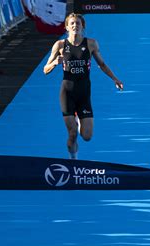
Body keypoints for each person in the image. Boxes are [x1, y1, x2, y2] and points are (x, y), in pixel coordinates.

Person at [43, 13, 123, 159]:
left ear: (83, 26)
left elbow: (102, 64)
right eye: (72, 23)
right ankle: (73, 159)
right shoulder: (60, 45)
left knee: (86, 136)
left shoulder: (91, 44)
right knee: (72, 133)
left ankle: (79, 118)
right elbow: (45, 69)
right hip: (67, 93)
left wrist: (115, 79)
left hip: (84, 94)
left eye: (78, 23)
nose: (75, 26)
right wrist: (54, 63)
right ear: (67, 27)